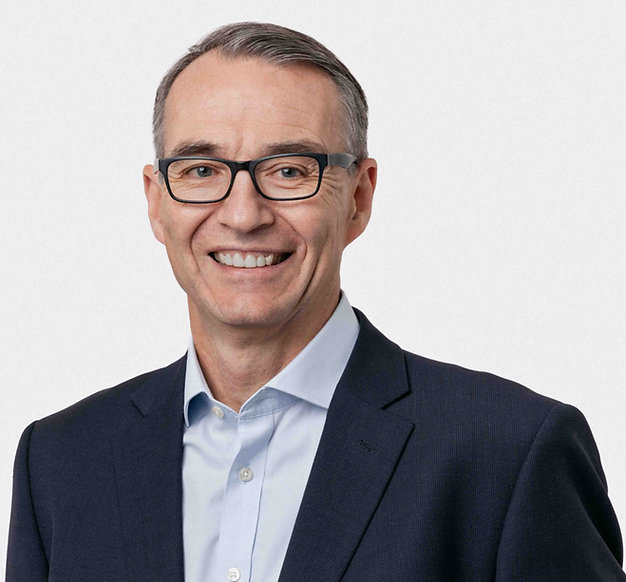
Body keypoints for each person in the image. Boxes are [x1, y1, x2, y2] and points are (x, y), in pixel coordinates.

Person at [5, 21, 625, 582]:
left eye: (289, 170)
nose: (243, 215)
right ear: (155, 201)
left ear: (358, 197)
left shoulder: (510, 451)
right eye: (201, 170)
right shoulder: (60, 461)